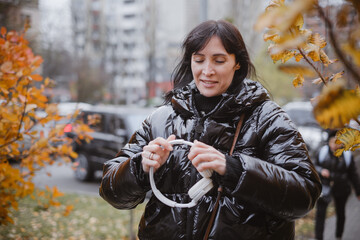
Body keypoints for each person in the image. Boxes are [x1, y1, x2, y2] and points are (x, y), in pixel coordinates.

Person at [99, 20, 321, 239]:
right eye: (199, 60)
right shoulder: (160, 119)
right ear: (191, 62)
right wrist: (139, 167)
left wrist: (234, 169)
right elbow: (111, 191)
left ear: (237, 63)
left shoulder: (268, 119)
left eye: (219, 60)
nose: (207, 71)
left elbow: (304, 196)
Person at [314, 130, 360, 240]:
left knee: (341, 213)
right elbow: (313, 165)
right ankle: (318, 237)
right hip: (324, 187)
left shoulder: (347, 155)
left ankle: (339, 236)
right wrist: (321, 171)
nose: (335, 144)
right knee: (320, 215)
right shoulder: (322, 152)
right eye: (333, 142)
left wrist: (358, 192)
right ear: (329, 142)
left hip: (342, 187)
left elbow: (353, 174)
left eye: (338, 142)